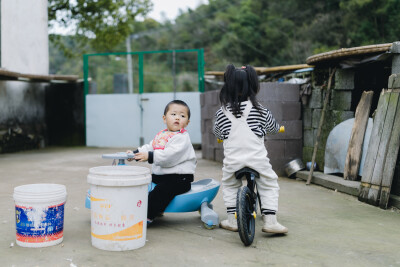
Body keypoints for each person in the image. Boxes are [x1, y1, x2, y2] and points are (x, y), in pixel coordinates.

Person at [213, 64, 288, 234]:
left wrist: (221, 136)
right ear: (253, 87)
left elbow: (218, 132)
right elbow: (272, 127)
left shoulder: (222, 113)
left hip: (233, 162)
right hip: (257, 161)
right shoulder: (260, 110)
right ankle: (270, 221)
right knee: (268, 184)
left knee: (230, 185)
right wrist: (278, 129)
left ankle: (233, 220)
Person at [127, 100, 196, 223]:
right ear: (165, 118)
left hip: (179, 178)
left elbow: (169, 156)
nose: (177, 118)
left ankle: (146, 216)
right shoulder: (162, 135)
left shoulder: (182, 138)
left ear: (187, 122)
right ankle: (146, 207)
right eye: (173, 114)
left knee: (160, 192)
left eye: (182, 116)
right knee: (142, 185)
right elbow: (150, 147)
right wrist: (135, 153)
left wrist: (149, 156)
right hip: (161, 176)